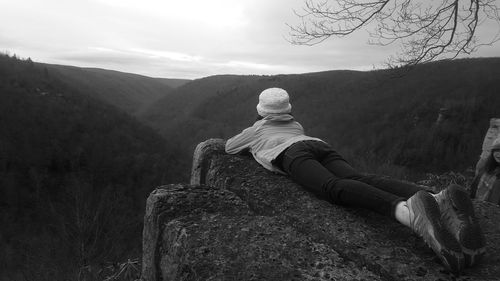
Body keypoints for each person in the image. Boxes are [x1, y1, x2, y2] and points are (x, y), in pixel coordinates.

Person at [225, 87, 485, 273]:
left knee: (332, 188)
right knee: (356, 176)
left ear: (261, 111)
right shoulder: (295, 125)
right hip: (318, 145)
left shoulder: (256, 129)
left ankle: (408, 213)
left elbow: (228, 146)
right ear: (287, 109)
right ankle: (437, 197)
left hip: (290, 153)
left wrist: (253, 136)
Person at [471, 137, 500, 205]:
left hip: (494, 212)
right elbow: (474, 187)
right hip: (477, 207)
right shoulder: (485, 167)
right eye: (497, 150)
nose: (499, 154)